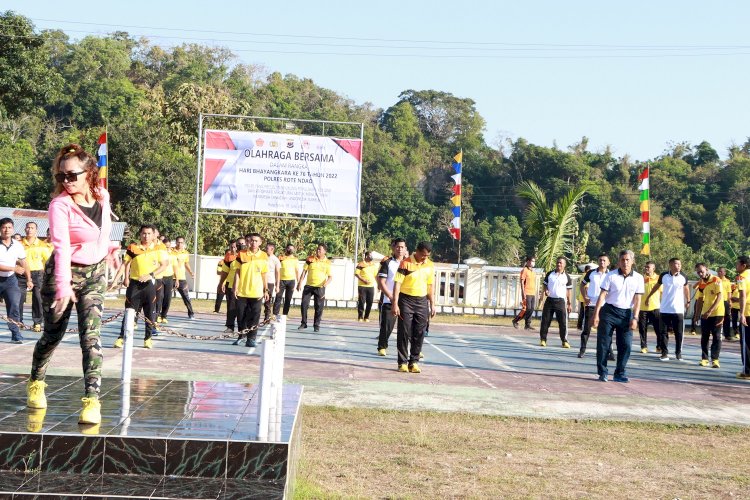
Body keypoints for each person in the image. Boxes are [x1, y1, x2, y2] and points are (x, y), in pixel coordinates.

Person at [26, 143, 118, 426]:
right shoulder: (60, 205)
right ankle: (36, 381)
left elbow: (103, 231)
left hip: (94, 275)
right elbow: (62, 247)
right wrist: (64, 286)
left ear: (89, 173)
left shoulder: (102, 197)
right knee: (52, 336)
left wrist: (110, 250)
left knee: (90, 337)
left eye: (72, 175)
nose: (66, 181)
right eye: (61, 177)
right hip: (61, 275)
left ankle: (92, 401)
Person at [111, 225, 169, 349]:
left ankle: (148, 339)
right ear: (140, 234)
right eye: (143, 233)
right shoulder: (133, 247)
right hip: (134, 285)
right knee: (129, 313)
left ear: (154, 235)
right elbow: (124, 264)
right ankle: (121, 338)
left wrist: (151, 275)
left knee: (150, 313)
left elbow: (164, 265)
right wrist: (117, 280)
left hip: (149, 284)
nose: (146, 236)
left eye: (149, 234)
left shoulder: (159, 248)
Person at [592, 250, 645, 383]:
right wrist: (596, 314)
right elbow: (602, 295)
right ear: (618, 261)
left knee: (626, 345)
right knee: (604, 343)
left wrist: (635, 318)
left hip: (626, 313)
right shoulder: (610, 276)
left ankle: (619, 373)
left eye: (627, 260)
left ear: (633, 261)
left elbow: (638, 299)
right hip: (609, 312)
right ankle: (602, 372)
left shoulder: (638, 278)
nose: (625, 262)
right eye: (622, 260)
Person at [392, 241, 435, 373]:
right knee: (404, 331)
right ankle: (402, 362)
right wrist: (395, 303)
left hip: (422, 301)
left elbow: (430, 286)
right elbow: (397, 284)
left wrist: (432, 304)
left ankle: (414, 362)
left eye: (427, 255)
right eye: (423, 255)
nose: (424, 258)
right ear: (416, 251)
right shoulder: (405, 263)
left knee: (419, 332)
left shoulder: (430, 265)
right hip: (406, 300)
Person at [646, 258, 690, 362]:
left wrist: (688, 301)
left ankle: (678, 353)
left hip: (678, 310)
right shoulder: (664, 275)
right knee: (663, 333)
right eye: (676, 264)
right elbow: (656, 286)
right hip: (665, 309)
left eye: (680, 264)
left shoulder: (683, 276)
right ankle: (664, 353)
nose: (678, 266)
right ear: (670, 265)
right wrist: (649, 296)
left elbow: (686, 288)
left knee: (679, 333)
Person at [232, 233, 269, 347]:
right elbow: (237, 272)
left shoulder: (263, 255)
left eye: (256, 241)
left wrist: (266, 290)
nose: (254, 243)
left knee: (255, 316)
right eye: (252, 240)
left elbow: (264, 274)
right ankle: (241, 336)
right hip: (242, 291)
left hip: (256, 292)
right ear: (248, 241)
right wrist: (235, 287)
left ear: (260, 242)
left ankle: (251, 339)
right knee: (241, 315)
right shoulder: (241, 254)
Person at [0, 218, 31, 343]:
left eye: (9, 227)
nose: (6, 230)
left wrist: (29, 279)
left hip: (10, 281)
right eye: (4, 227)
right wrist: (13, 267)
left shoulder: (18, 245)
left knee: (14, 305)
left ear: (13, 229)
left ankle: (16, 334)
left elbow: (24, 262)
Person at [376, 238, 407, 356]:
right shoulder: (387, 263)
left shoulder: (409, 263)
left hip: (405, 301)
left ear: (405, 249)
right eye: (398, 247)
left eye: (402, 247)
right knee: (387, 326)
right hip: (389, 300)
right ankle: (382, 346)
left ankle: (413, 350)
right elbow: (381, 282)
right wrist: (390, 296)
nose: (400, 249)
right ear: (394, 248)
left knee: (407, 328)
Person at [21, 222, 52, 332]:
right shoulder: (19, 244)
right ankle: (19, 321)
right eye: (28, 227)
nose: (29, 230)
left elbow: (48, 262)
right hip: (21, 274)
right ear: (25, 229)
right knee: (19, 298)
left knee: (38, 298)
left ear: (36, 231)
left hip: (37, 274)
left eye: (32, 228)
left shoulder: (42, 245)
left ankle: (37, 322)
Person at [579, 255, 612, 359]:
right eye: (600, 260)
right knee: (587, 329)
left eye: (604, 260)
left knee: (606, 330)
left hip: (605, 306)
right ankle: (582, 350)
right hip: (592, 304)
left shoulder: (611, 274)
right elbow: (582, 285)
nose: (602, 262)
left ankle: (609, 352)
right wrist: (585, 297)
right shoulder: (591, 273)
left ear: (608, 262)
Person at [297, 243, 333, 332]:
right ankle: (303, 323)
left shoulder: (327, 262)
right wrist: (300, 282)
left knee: (319, 307)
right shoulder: (310, 259)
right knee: (304, 304)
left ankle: (316, 325)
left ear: (325, 251)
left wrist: (325, 284)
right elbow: (304, 271)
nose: (318, 251)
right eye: (317, 249)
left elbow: (330, 277)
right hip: (308, 286)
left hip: (320, 287)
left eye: (320, 249)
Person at [538, 257, 573, 348]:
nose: (559, 264)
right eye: (557, 262)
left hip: (560, 301)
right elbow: (544, 285)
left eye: (561, 263)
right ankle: (543, 339)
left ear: (564, 265)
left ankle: (564, 341)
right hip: (549, 300)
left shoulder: (567, 277)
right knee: (545, 321)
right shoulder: (550, 274)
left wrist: (569, 303)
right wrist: (545, 291)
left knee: (563, 322)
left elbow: (569, 291)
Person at [695, 263, 724, 368]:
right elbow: (699, 299)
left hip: (717, 313)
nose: (700, 273)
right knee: (705, 336)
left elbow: (719, 297)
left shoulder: (716, 280)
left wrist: (710, 311)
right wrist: (697, 314)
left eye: (701, 271)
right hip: (704, 314)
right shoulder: (701, 283)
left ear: (706, 269)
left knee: (716, 336)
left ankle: (715, 360)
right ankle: (704, 359)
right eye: (698, 272)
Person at [637, 261, 661, 354]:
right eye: (645, 267)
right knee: (642, 328)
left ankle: (659, 346)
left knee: (658, 328)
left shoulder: (658, 278)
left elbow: (662, 293)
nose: (646, 268)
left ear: (653, 268)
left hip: (655, 307)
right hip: (642, 308)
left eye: (648, 267)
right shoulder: (641, 278)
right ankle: (643, 346)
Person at [273, 244, 300, 319]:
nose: (290, 250)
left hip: (291, 281)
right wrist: (276, 281)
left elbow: (297, 271)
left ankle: (285, 315)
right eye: (289, 248)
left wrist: (299, 282)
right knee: (278, 297)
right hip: (281, 280)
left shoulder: (295, 259)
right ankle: (275, 314)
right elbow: (277, 269)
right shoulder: (281, 257)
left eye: (292, 249)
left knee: (288, 299)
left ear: (294, 250)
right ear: (286, 249)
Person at [172, 236, 195, 319]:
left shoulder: (185, 253)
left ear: (184, 243)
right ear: (176, 242)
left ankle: (191, 313)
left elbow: (186, 263)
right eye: (178, 242)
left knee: (186, 296)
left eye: (181, 242)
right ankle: (161, 315)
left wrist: (191, 272)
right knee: (163, 297)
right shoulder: (171, 251)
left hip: (181, 278)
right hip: (171, 277)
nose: (180, 244)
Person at [735, 256, 750, 380]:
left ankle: (747, 371)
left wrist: (742, 314)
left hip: (748, 312)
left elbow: (743, 295)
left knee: (746, 343)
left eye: (737, 264)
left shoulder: (741, 277)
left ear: (743, 265)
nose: (736, 266)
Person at [512, 256, 537, 330]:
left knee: (531, 309)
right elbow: (522, 282)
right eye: (532, 261)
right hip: (527, 292)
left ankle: (527, 325)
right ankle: (515, 320)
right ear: (528, 261)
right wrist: (523, 293)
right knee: (526, 309)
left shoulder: (533, 271)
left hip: (532, 293)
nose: (533, 263)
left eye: (534, 261)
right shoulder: (524, 270)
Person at [155, 238, 175, 325]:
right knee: (160, 297)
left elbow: (175, 267)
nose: (168, 248)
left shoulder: (172, 255)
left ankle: (164, 315)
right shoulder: (159, 253)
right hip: (160, 277)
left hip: (169, 277)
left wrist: (176, 279)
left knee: (168, 297)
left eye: (169, 247)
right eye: (166, 247)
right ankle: (158, 315)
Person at [355, 250, 379, 322]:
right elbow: (356, 274)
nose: (371, 257)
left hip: (371, 287)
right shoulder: (361, 264)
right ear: (366, 256)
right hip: (362, 286)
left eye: (371, 255)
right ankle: (360, 317)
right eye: (370, 255)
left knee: (370, 302)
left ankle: (367, 317)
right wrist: (363, 280)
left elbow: (376, 276)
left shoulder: (373, 265)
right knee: (362, 301)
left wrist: (378, 285)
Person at [261, 242, 280, 326]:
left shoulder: (275, 259)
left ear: (272, 249)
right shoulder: (262, 257)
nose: (266, 250)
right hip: (260, 280)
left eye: (267, 248)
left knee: (267, 301)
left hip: (270, 282)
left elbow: (277, 273)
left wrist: (277, 285)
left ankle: (267, 317)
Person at [717, 267, 733, 341]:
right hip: (717, 301)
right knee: (717, 317)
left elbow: (729, 292)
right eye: (718, 271)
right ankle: (716, 333)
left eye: (721, 271)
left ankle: (727, 335)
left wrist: (730, 301)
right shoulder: (715, 280)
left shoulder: (727, 281)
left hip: (725, 301)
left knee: (727, 318)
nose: (719, 273)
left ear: (724, 273)